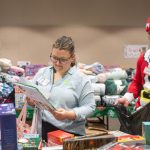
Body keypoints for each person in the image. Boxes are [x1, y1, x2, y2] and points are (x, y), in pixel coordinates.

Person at [28, 35, 96, 142]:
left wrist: (68, 114)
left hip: (70, 134)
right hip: (44, 130)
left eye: (63, 59)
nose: (57, 63)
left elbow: (90, 107)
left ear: (72, 57)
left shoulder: (81, 79)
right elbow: (31, 93)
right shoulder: (43, 73)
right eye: (54, 58)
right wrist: (30, 100)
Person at [115, 17, 150, 109]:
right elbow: (137, 82)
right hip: (143, 112)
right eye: (149, 33)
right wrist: (127, 98)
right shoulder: (143, 58)